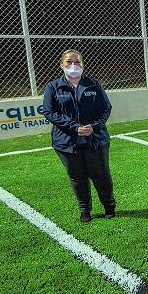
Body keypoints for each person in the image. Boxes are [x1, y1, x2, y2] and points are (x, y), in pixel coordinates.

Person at [42, 49, 115, 223]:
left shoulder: (94, 85)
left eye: (77, 62)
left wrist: (94, 127)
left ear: (83, 65)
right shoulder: (53, 87)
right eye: (69, 62)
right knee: (77, 177)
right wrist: (75, 127)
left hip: (95, 139)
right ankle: (84, 210)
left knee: (101, 174)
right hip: (66, 142)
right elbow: (49, 111)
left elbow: (106, 109)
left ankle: (109, 206)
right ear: (61, 65)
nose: (73, 65)